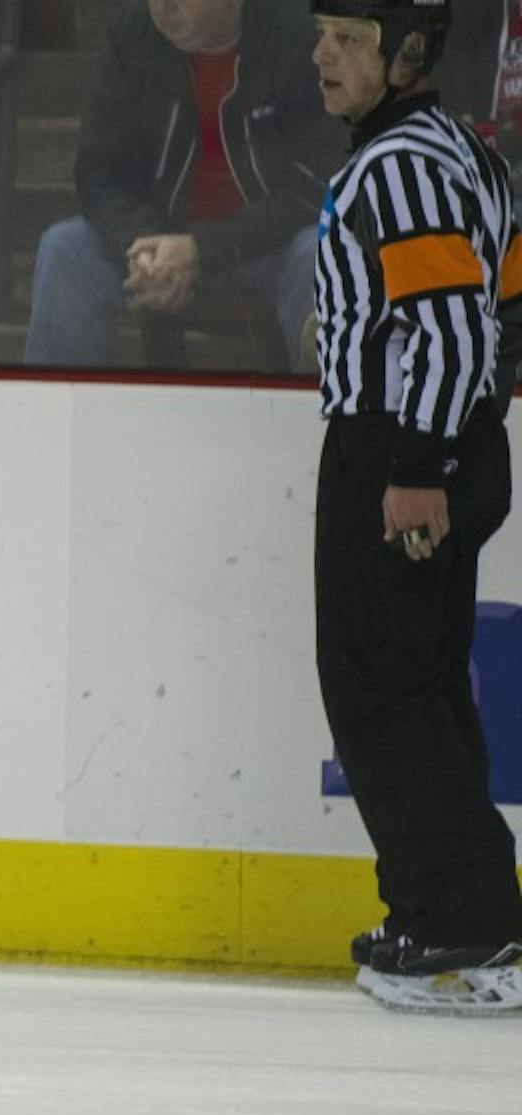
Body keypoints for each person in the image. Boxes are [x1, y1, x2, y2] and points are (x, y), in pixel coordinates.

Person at [310, 0, 522, 1015]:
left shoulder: (397, 167)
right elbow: (509, 299)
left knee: (379, 692)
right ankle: (450, 910)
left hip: (399, 453)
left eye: (347, 40)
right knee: (421, 687)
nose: (322, 56)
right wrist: (466, 430)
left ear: (405, 56)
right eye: (320, 34)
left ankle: (465, 921)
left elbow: (438, 326)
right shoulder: (463, 153)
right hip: (446, 441)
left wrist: (415, 463)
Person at [24, 0, 343, 370]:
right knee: (65, 249)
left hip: (267, 245)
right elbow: (101, 172)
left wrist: (201, 249)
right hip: (160, 241)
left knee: (322, 252)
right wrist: (144, 249)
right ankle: (50, 420)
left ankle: (330, 419)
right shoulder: (133, 37)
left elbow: (323, 184)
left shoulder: (300, 38)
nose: (164, 6)